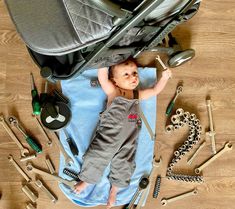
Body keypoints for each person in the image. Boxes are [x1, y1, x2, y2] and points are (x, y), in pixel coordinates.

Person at [74, 58, 172, 208]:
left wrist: (164, 78)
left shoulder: (137, 95)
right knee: (96, 156)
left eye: (134, 73)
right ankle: (87, 181)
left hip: (129, 141)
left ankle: (114, 190)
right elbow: (102, 79)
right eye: (126, 74)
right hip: (108, 138)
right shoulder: (113, 92)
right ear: (114, 80)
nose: (133, 77)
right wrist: (104, 62)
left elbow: (155, 91)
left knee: (125, 165)